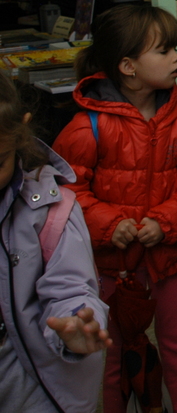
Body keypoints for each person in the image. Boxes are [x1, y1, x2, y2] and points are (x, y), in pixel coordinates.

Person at [53, 5, 177, 413]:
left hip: (170, 259)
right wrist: (111, 224)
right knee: (113, 352)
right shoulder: (86, 127)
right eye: (164, 50)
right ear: (128, 66)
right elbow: (66, 192)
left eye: (176, 48)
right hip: (113, 266)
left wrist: (166, 221)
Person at [0, 73, 111, 413]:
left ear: (20, 131)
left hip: (32, 392)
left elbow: (70, 286)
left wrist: (77, 320)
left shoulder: (50, 209)